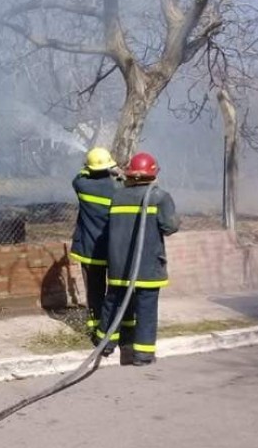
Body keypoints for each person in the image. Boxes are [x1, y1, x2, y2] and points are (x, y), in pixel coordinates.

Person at [97, 152, 179, 366]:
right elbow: (170, 227)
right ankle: (142, 355)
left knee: (113, 303)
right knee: (146, 309)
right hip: (147, 265)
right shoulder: (160, 197)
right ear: (153, 174)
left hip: (119, 263)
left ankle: (105, 344)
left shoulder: (117, 196)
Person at [70, 147, 120, 343]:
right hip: (113, 250)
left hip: (89, 250)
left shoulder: (82, 185)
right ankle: (113, 327)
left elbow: (79, 176)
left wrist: (87, 167)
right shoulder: (118, 189)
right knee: (114, 290)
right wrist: (117, 172)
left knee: (94, 290)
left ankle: (95, 327)